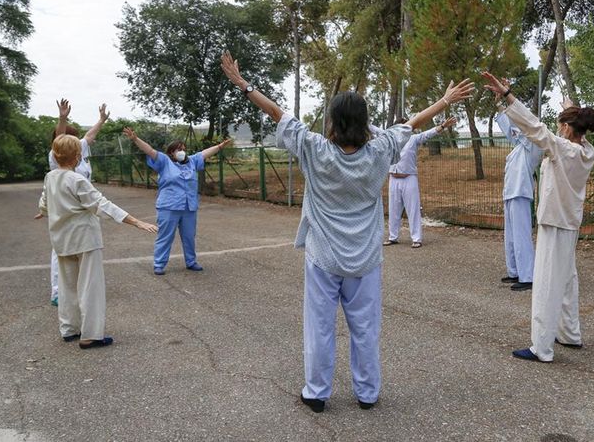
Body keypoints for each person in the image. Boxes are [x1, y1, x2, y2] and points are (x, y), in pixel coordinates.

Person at [222, 50, 475, 413]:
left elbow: (277, 113)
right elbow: (413, 123)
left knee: (320, 327)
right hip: (366, 258)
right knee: (366, 329)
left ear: (332, 121)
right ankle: (367, 393)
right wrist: (445, 101)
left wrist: (244, 85)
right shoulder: (380, 151)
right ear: (365, 122)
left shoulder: (314, 149)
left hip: (323, 257)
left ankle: (317, 392)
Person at [481, 71, 594, 363]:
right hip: (569, 223)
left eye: (561, 125)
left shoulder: (562, 149)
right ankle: (570, 333)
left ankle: (541, 348)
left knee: (546, 284)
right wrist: (570, 107)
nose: (558, 129)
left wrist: (507, 96)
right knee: (568, 279)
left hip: (554, 223)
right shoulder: (587, 151)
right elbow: (572, 126)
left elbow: (534, 127)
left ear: (567, 128)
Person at [36, 134, 157, 349]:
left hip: (61, 240)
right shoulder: (77, 180)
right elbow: (101, 205)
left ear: (55, 155)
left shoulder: (50, 177)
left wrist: (46, 211)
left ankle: (69, 329)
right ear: (77, 156)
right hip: (84, 239)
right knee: (90, 286)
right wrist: (136, 221)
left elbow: (44, 205)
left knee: (66, 286)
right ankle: (91, 335)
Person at [122, 127, 232, 275]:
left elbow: (204, 153)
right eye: (179, 149)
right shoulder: (164, 161)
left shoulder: (191, 161)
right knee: (165, 236)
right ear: (171, 152)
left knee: (189, 237)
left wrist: (219, 147)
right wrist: (135, 139)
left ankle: (191, 262)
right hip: (169, 207)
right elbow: (150, 151)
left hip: (189, 207)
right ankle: (159, 264)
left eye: (184, 149)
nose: (182, 152)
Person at [46, 99, 110, 306]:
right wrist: (62, 118)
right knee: (61, 250)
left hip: (83, 207)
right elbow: (60, 137)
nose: (78, 141)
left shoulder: (79, 150)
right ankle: (58, 292)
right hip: (65, 208)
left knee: (83, 249)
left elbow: (89, 136)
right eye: (72, 138)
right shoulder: (56, 155)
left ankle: (79, 289)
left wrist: (101, 120)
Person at [384, 116, 458, 248]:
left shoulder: (413, 139)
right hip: (393, 179)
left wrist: (442, 126)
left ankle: (416, 238)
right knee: (393, 210)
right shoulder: (390, 140)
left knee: (413, 209)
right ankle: (392, 237)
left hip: (409, 178)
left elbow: (428, 134)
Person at [495, 98, 543, 291]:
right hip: (510, 194)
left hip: (521, 193)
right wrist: (500, 106)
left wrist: (509, 104)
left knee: (521, 235)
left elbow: (519, 127)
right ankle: (514, 271)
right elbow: (511, 131)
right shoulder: (520, 147)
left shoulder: (534, 145)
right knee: (511, 236)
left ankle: (527, 276)